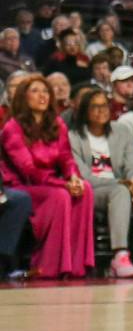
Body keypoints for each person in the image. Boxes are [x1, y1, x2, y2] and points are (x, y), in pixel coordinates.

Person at [0, 74, 93, 278]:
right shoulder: (12, 128)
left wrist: (73, 178)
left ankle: (75, 265)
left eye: (45, 91)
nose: (42, 96)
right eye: (35, 91)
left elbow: (67, 158)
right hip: (22, 186)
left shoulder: (58, 124)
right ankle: (48, 265)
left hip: (51, 183)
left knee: (85, 189)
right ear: (23, 97)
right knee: (59, 196)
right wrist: (63, 185)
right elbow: (29, 171)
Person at [68, 86, 133, 278]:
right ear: (85, 111)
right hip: (93, 191)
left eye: (104, 106)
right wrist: (123, 183)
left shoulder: (122, 130)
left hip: (122, 186)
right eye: (95, 107)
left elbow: (131, 165)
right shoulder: (74, 137)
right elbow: (83, 176)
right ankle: (120, 255)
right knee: (119, 191)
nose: (101, 111)